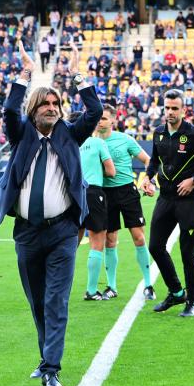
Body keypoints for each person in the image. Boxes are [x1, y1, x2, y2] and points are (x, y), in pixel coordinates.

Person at [0, 42, 102, 386]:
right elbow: (9, 113)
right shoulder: (22, 133)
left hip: (62, 233)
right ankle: (45, 358)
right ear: (34, 108)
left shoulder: (69, 134)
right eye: (46, 103)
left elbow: (95, 110)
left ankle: (51, 368)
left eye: (57, 103)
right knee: (38, 301)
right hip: (26, 233)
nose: (53, 108)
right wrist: (25, 75)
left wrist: (78, 74)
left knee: (56, 300)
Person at [141, 89, 194, 317]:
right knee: (155, 247)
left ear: (183, 110)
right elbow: (154, 161)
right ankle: (177, 292)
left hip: (190, 201)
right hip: (165, 198)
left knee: (187, 252)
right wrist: (147, 178)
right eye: (167, 107)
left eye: (174, 108)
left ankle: (192, 302)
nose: (170, 112)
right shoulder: (158, 133)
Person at [97, 104, 153, 301]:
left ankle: (148, 284)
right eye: (98, 118)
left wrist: (149, 180)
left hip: (128, 192)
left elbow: (148, 160)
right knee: (110, 240)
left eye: (103, 118)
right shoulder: (92, 142)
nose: (100, 122)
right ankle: (111, 286)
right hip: (105, 194)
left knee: (138, 237)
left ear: (113, 120)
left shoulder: (125, 139)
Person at [68, 112, 116, 301]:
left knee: (72, 244)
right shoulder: (97, 143)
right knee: (97, 243)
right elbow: (111, 172)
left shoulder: (68, 145)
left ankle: (59, 284)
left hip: (72, 195)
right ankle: (91, 290)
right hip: (93, 193)